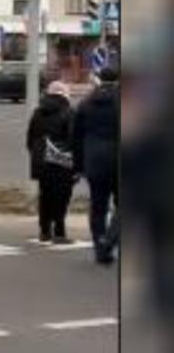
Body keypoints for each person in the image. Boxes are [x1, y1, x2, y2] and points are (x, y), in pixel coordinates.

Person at [72, 66, 121, 265]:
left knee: (98, 207)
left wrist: (77, 167)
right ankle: (109, 240)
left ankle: (100, 251)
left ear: (99, 79)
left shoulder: (85, 103)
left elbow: (75, 138)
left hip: (94, 162)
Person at [27, 81, 77, 244]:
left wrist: (37, 154)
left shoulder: (37, 112)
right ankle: (59, 232)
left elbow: (30, 139)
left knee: (45, 195)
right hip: (61, 162)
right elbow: (73, 140)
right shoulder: (68, 112)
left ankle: (44, 231)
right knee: (62, 196)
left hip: (41, 161)